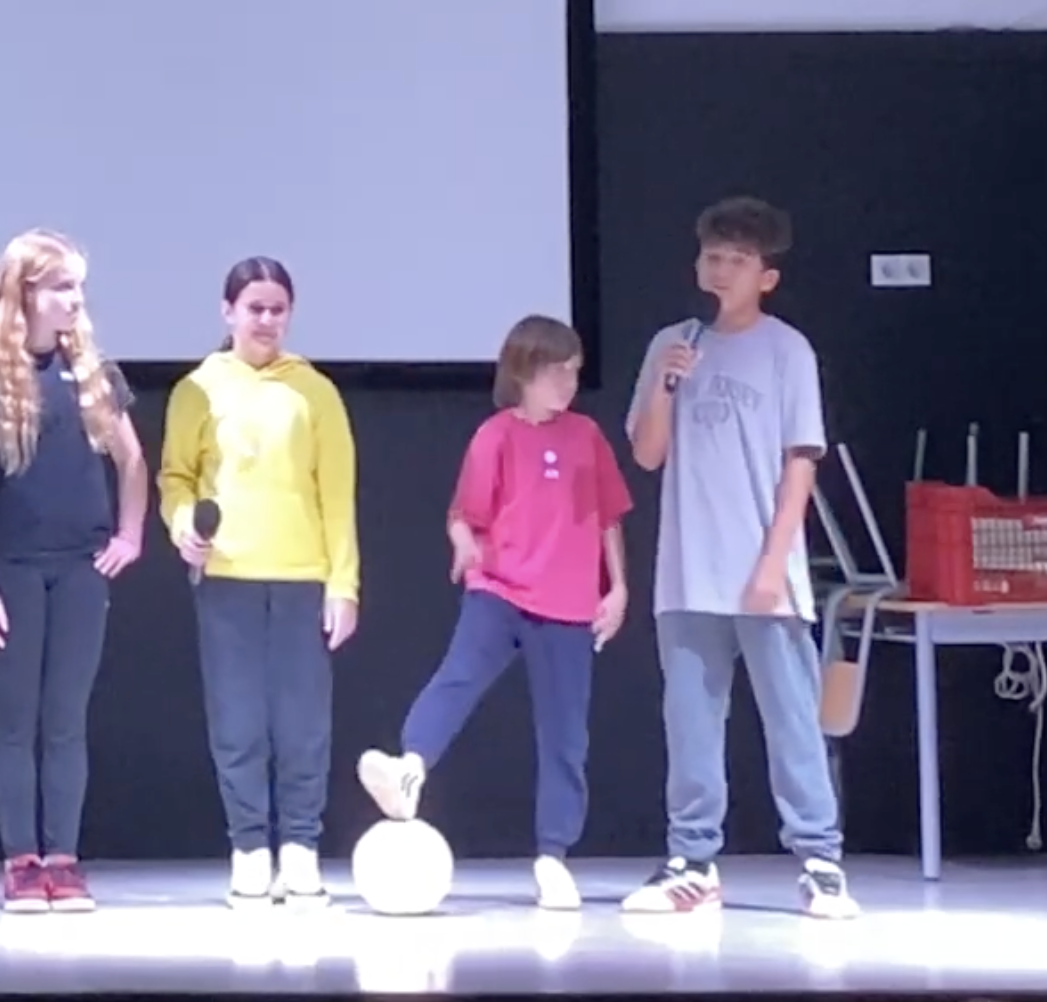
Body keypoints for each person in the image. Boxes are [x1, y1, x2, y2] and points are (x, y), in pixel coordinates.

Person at [621, 196, 858, 919]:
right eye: (712, 257)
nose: (720, 269)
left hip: (765, 574)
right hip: (687, 572)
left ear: (766, 276)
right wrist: (667, 384)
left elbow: (800, 463)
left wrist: (773, 564)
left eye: (737, 260)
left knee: (791, 720)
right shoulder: (673, 343)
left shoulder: (788, 351)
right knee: (691, 723)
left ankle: (819, 859)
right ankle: (692, 860)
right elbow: (647, 453)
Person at [356, 315, 631, 910]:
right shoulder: (496, 435)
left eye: (575, 372)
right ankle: (409, 768)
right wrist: (463, 544)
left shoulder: (587, 436)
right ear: (524, 372)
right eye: (557, 372)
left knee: (565, 733)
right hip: (500, 589)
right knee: (457, 678)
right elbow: (464, 514)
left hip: (569, 604)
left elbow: (609, 516)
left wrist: (618, 589)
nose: (568, 383)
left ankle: (553, 856)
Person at [0, 229, 149, 913]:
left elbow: (132, 460)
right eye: (62, 286)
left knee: (66, 718)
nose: (74, 300)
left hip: (80, 569)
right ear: (26, 291)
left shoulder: (93, 373)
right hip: (12, 568)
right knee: (15, 718)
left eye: (78, 287)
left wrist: (129, 534)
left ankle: (63, 856)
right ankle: (21, 860)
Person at [156, 256, 359, 908]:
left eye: (277, 309)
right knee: (237, 719)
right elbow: (174, 477)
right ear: (228, 312)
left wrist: (344, 583)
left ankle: (300, 846)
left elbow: (338, 495)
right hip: (227, 576)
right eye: (254, 308)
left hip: (302, 577)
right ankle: (248, 847)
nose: (266, 320)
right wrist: (182, 524)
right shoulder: (197, 388)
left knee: (303, 722)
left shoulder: (315, 392)